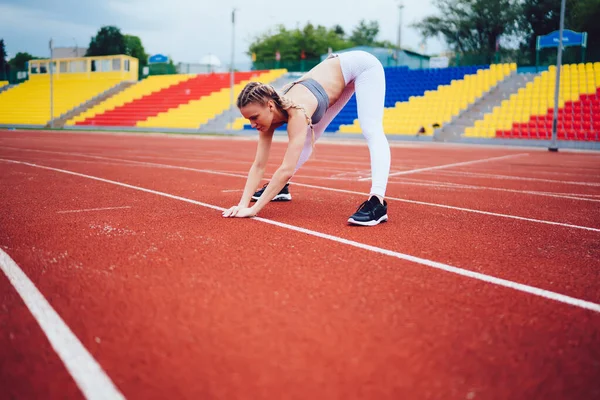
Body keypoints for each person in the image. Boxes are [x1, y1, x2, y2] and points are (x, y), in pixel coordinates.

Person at [222, 50, 391, 226]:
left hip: (362, 66)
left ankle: (377, 202)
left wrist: (253, 209)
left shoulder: (297, 114)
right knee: (310, 138)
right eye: (248, 119)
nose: (252, 123)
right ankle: (281, 187)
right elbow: (258, 165)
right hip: (335, 76)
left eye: (254, 117)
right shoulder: (266, 118)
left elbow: (286, 169)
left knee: (371, 128)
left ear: (270, 106)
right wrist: (242, 204)